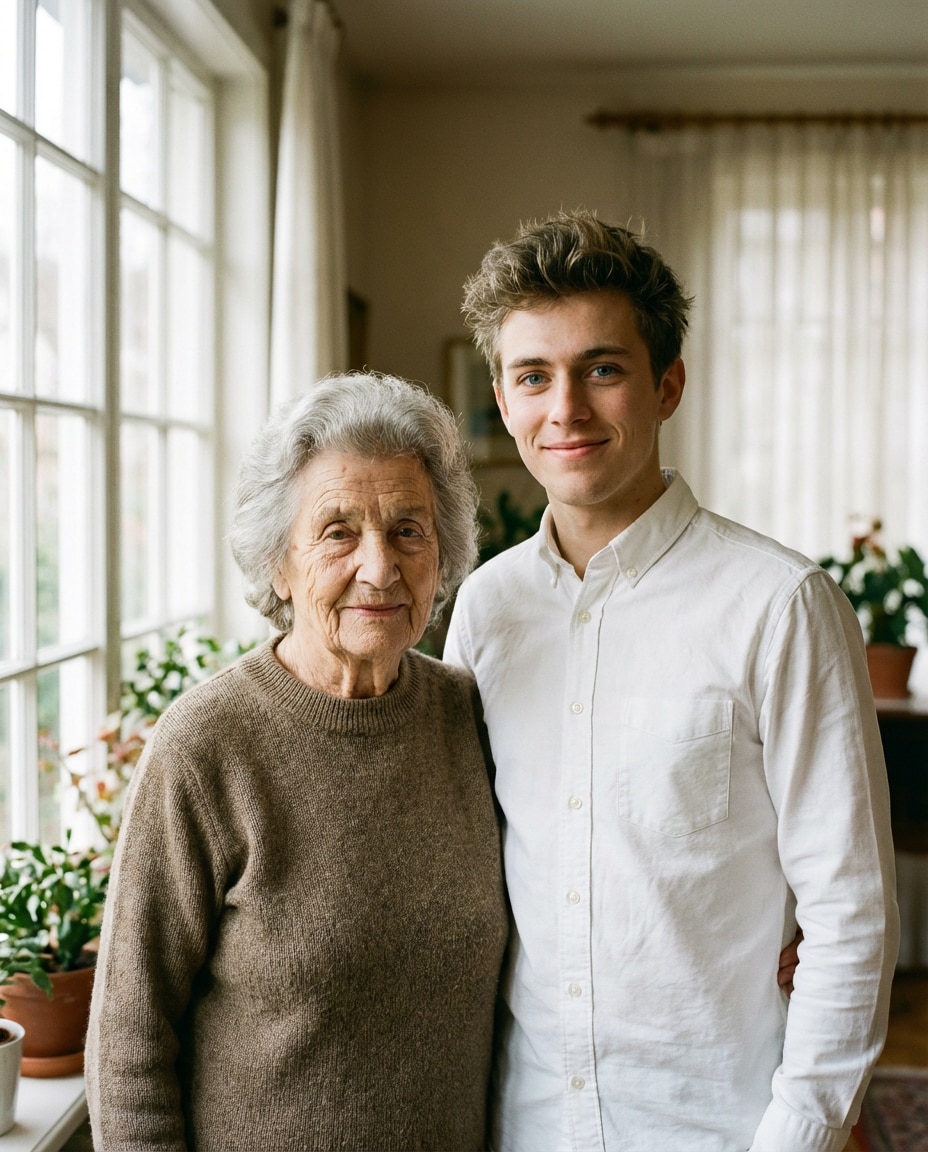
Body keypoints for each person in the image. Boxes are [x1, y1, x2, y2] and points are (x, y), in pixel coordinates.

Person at [444, 211, 899, 1152]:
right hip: (525, 1122)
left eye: (601, 368)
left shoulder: (780, 604)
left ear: (668, 384)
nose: (564, 408)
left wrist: (799, 1136)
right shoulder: (485, 610)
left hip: (721, 1125)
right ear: (501, 395)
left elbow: (849, 911)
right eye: (533, 375)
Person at [85, 373, 508, 1151]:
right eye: (338, 531)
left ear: (442, 555)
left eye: (409, 529)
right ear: (278, 563)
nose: (379, 568)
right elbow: (130, 1047)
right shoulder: (206, 745)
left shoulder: (470, 718)